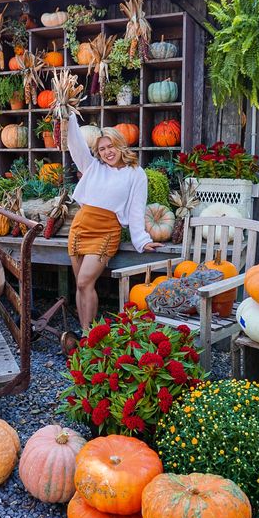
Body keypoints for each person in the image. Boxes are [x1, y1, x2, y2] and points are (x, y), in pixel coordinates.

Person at [60, 113, 162, 352]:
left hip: (106, 230)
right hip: (81, 226)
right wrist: (70, 118)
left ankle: (88, 336)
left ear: (120, 144)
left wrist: (142, 239)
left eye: (110, 146)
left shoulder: (136, 173)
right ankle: (86, 337)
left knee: (86, 280)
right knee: (80, 284)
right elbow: (75, 145)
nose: (107, 152)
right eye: (102, 149)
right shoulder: (93, 167)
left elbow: (137, 209)